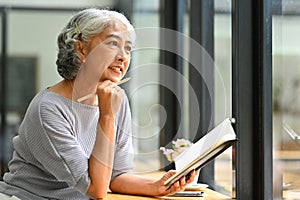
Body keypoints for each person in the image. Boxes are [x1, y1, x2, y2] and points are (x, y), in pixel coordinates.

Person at [0, 8, 196, 200]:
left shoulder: (115, 99)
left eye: (128, 48)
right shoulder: (48, 109)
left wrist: (156, 187)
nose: (123, 56)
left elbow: (116, 175)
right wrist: (107, 115)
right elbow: (96, 189)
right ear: (81, 49)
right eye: (113, 43)